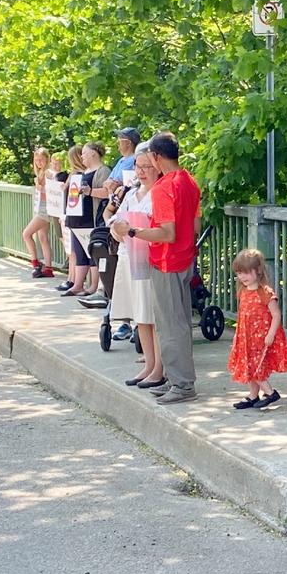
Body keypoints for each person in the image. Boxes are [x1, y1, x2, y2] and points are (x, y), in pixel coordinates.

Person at [111, 132, 201, 406]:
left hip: (167, 261)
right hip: (185, 259)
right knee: (180, 322)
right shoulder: (189, 181)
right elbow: (194, 226)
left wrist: (133, 230)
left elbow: (166, 233)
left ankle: (183, 384)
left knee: (170, 325)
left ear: (156, 157)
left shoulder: (164, 188)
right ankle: (178, 379)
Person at [108, 142, 163, 389]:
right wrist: (117, 229)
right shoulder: (131, 193)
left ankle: (159, 367)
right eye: (138, 167)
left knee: (151, 313)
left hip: (150, 257)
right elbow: (117, 218)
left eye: (147, 166)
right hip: (129, 255)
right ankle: (148, 364)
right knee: (140, 314)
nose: (141, 172)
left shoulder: (159, 193)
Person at [228, 248, 287, 410]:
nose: (242, 277)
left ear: (257, 271)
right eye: (239, 273)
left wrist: (271, 334)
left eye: (246, 272)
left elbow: (276, 315)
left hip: (261, 338)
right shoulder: (243, 291)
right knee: (248, 364)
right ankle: (253, 395)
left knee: (254, 366)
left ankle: (270, 392)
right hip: (246, 338)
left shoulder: (265, 292)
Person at [104, 127, 141, 337]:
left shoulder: (151, 192)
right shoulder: (125, 190)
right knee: (123, 282)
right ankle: (126, 322)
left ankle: (136, 325)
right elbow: (110, 207)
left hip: (141, 246)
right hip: (123, 241)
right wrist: (113, 224)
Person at [62, 143, 106, 299]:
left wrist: (90, 191)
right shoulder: (84, 171)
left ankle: (94, 286)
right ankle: (78, 284)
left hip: (90, 218)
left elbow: (107, 193)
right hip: (77, 219)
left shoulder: (102, 171)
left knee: (92, 254)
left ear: (94, 153)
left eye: (85, 153)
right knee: (79, 252)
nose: (82, 156)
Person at [22, 147, 55, 278]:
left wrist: (41, 188)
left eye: (41, 160)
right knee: (43, 238)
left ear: (47, 159)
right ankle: (48, 268)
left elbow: (52, 192)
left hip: (44, 209)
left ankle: (35, 263)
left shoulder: (48, 173)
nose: (39, 162)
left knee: (26, 234)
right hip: (40, 208)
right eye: (36, 160)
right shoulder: (40, 173)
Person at [54, 150, 84, 292]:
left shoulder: (79, 176)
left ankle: (73, 279)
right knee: (70, 249)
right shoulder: (72, 175)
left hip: (73, 214)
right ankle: (70, 278)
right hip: (67, 213)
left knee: (73, 250)